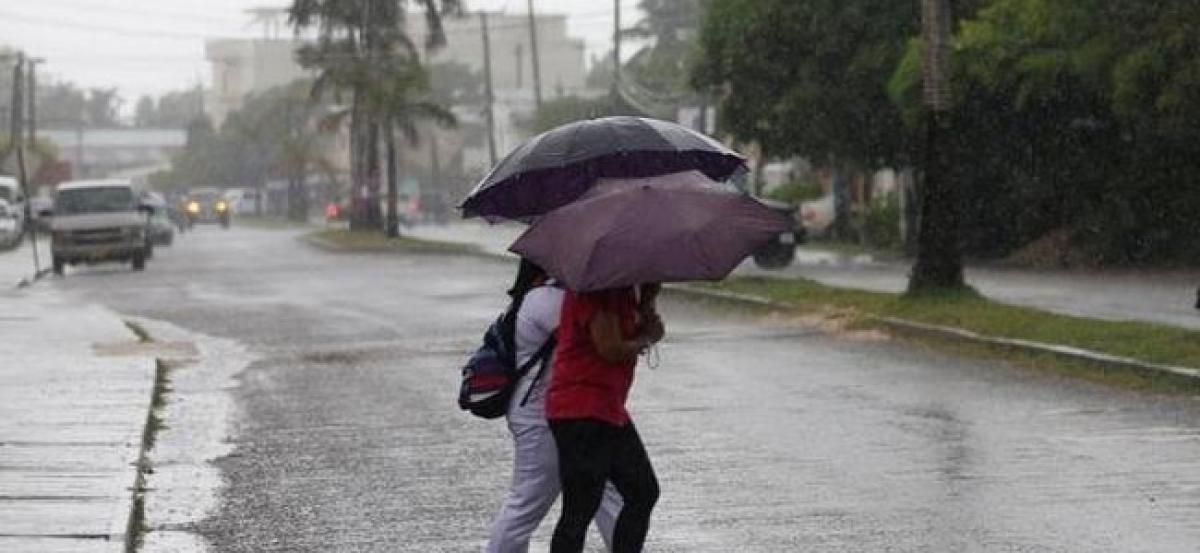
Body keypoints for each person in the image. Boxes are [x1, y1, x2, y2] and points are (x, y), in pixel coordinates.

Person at [486, 259, 623, 553]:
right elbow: (602, 344)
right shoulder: (548, 299)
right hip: (541, 417)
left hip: (570, 413)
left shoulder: (542, 295)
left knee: (608, 490)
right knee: (527, 502)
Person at [546, 283, 665, 553]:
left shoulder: (623, 292)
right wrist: (645, 340)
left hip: (608, 409)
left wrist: (647, 301)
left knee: (642, 491)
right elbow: (609, 348)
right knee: (581, 507)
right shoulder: (597, 290)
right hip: (580, 409)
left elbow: (640, 332)